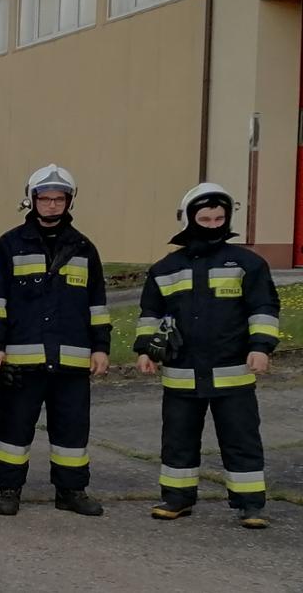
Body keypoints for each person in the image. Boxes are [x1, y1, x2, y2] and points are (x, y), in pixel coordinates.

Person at [137, 183, 279, 528]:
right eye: (205, 218)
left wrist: (260, 348)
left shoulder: (248, 264)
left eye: (219, 218)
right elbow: (150, 314)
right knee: (178, 440)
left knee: (241, 439)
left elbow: (263, 307)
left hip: (233, 373)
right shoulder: (165, 268)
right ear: (188, 219)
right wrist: (146, 351)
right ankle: (176, 499)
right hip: (181, 373)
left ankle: (251, 505)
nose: (213, 224)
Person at [0, 164, 110, 517]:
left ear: (69, 202)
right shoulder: (9, 245)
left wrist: (100, 348)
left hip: (71, 361)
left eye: (59, 199)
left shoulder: (84, 248)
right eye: (45, 198)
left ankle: (71, 491)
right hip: (21, 361)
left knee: (71, 430)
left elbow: (97, 305)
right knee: (13, 429)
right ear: (32, 200)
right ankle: (9, 491)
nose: (52, 205)